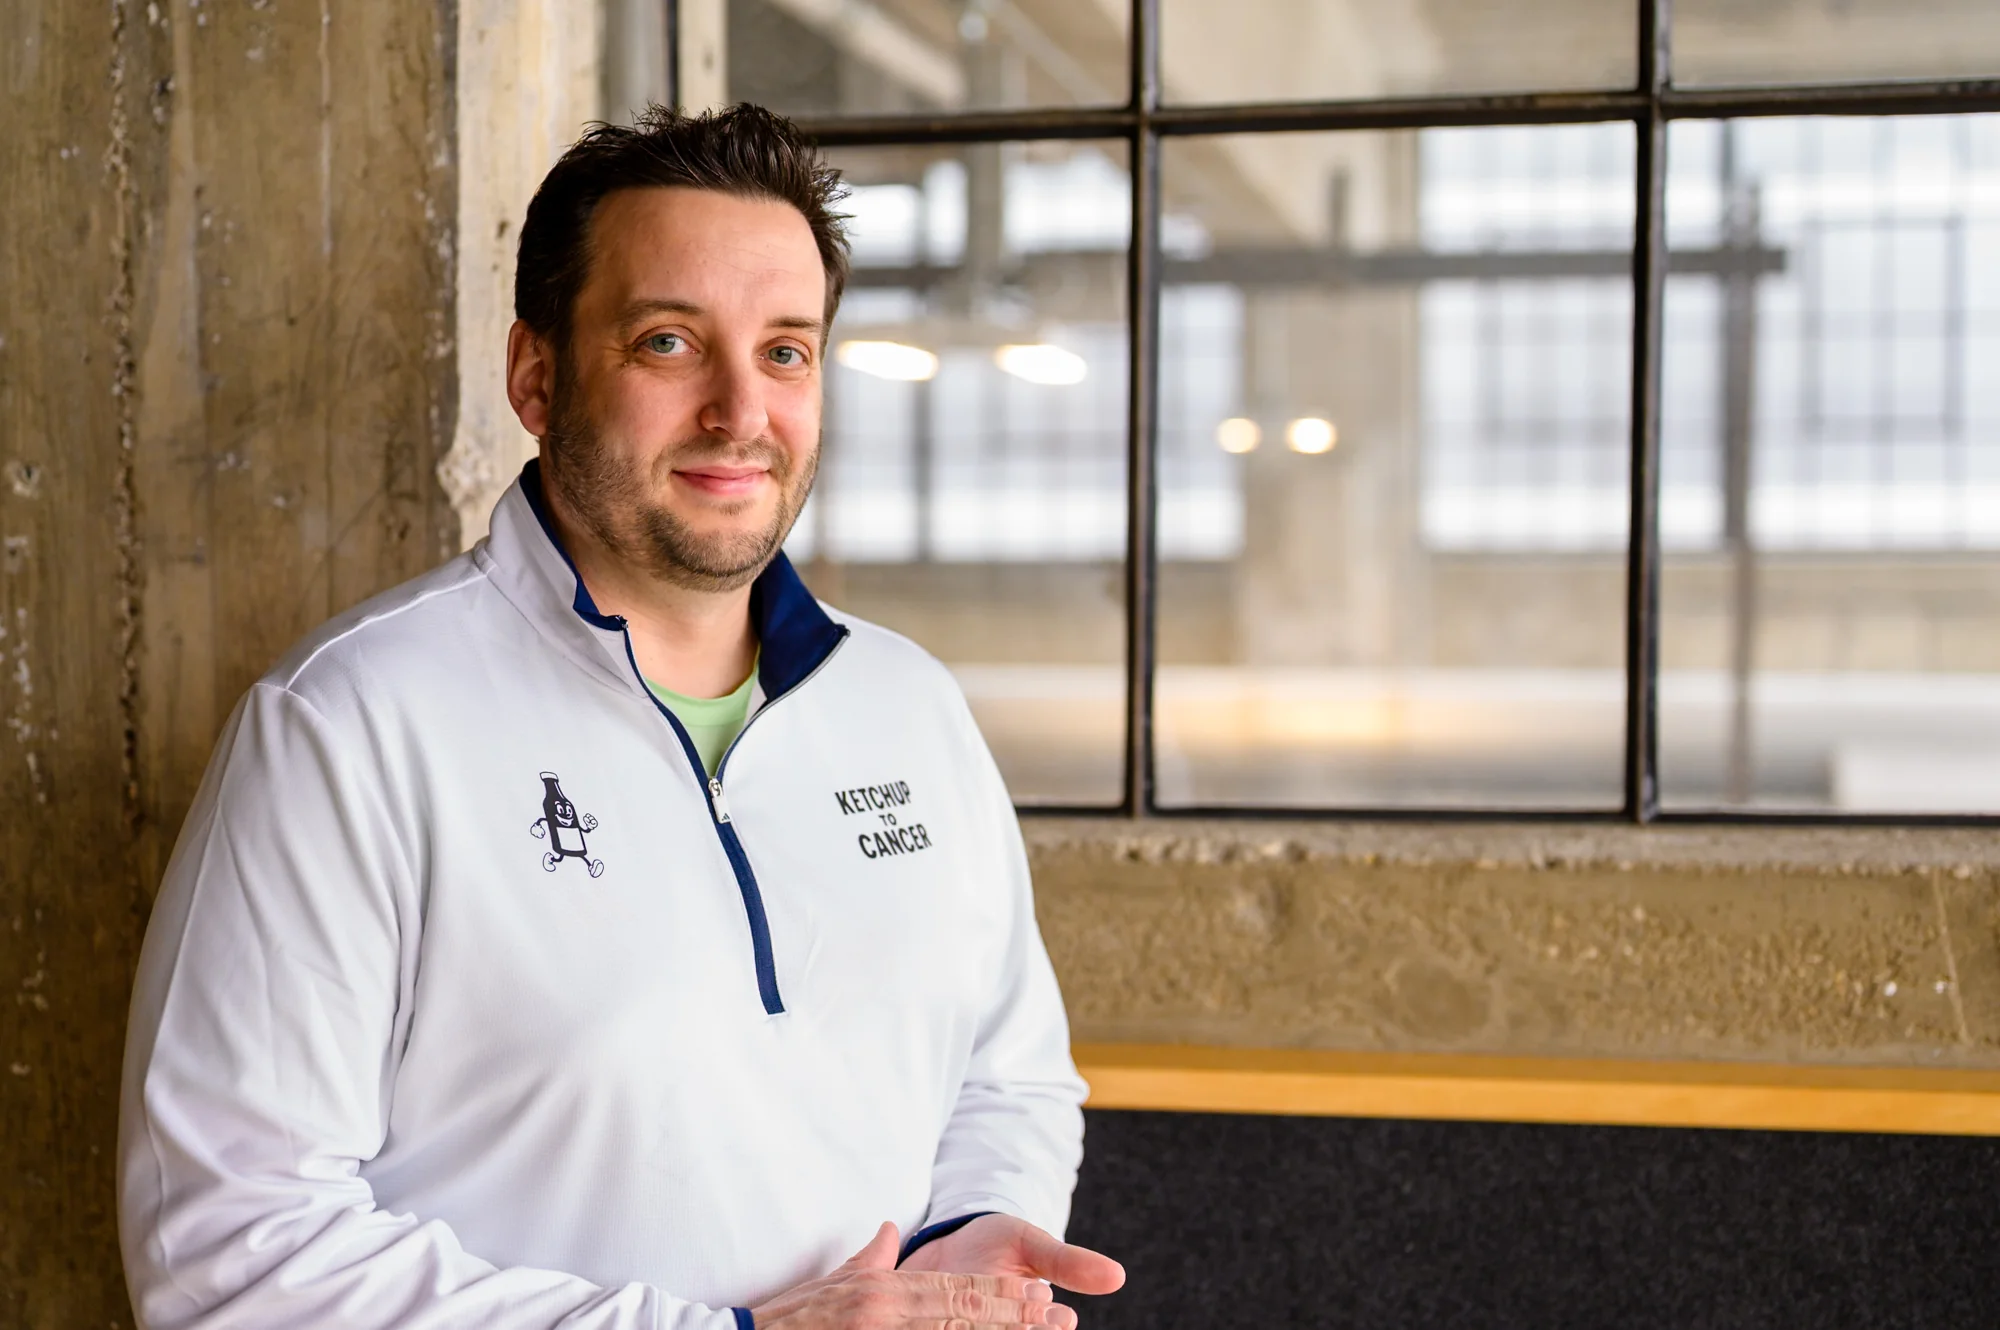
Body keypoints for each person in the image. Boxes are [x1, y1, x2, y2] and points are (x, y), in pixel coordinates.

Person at [117, 104, 1124, 1330]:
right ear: (537, 377)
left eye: (786, 352)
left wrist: (959, 1243)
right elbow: (229, 1249)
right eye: (667, 343)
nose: (739, 412)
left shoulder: (906, 704)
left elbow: (1004, 1072)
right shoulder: (350, 722)